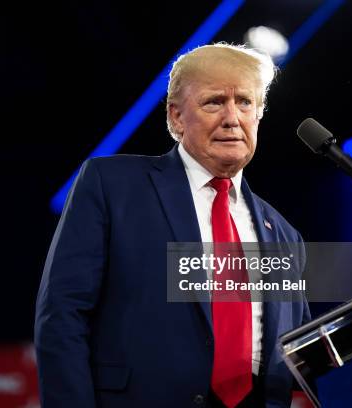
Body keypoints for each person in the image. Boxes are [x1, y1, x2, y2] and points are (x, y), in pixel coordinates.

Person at [35, 43, 311, 408]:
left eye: (245, 102)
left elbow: (301, 355)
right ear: (177, 117)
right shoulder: (112, 185)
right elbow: (62, 316)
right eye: (214, 102)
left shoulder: (285, 236)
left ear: (258, 115)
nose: (232, 118)